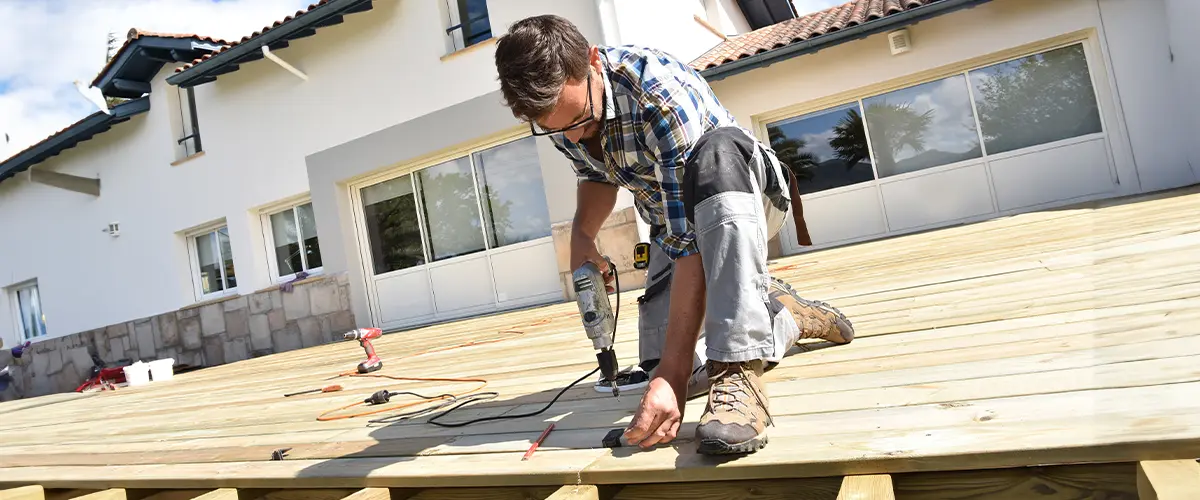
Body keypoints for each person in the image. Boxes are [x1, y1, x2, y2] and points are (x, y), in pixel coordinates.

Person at [493, 15, 855, 456]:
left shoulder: (657, 90)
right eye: (555, 127)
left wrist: (674, 373)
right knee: (659, 366)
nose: (570, 134)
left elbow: (694, 244)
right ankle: (785, 317)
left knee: (716, 151)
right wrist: (582, 237)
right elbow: (597, 176)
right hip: (673, 224)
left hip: (744, 195)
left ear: (591, 62)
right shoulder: (560, 109)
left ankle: (739, 372)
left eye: (580, 119)